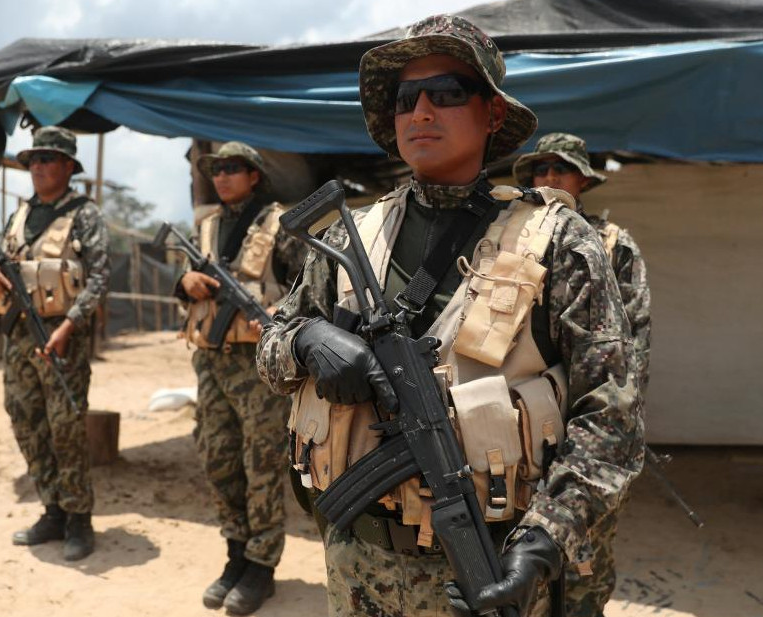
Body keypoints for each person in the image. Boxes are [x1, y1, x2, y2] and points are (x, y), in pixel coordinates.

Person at [256, 15, 644, 617]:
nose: (421, 112)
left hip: (490, 564)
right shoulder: (348, 236)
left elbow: (612, 419)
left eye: (448, 93)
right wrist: (307, 340)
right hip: (357, 563)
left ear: (492, 113)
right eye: (406, 98)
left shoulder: (558, 242)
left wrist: (542, 546)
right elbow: (270, 341)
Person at [513, 132, 652, 616]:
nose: (549, 178)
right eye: (541, 169)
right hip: (523, 427)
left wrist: (614, 435)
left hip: (588, 430)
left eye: (560, 169)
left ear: (583, 180)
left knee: (584, 562)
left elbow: (633, 350)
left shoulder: (613, 246)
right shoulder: (514, 242)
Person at [175, 141, 306, 614]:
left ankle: (261, 566)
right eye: (217, 170)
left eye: (233, 169)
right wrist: (185, 284)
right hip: (211, 361)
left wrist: (277, 313)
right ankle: (235, 553)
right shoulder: (207, 226)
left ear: (254, 176)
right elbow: (188, 283)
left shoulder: (280, 224)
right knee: (217, 457)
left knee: (262, 465)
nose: (222, 176)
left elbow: (308, 290)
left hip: (258, 369)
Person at [0, 126, 109, 561]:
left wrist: (69, 325)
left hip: (61, 337)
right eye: (33, 160)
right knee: (25, 419)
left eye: (47, 159)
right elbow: (2, 262)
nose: (37, 167)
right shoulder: (20, 213)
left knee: (66, 427)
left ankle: (78, 519)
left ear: (69, 167)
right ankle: (52, 508)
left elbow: (99, 278)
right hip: (18, 335)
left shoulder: (84, 214)